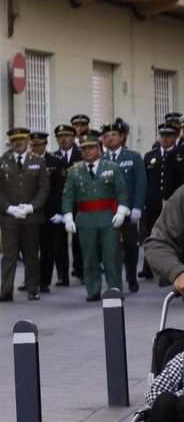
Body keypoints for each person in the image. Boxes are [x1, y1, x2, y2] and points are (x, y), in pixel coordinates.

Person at [64, 133, 128, 301]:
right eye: (84, 149)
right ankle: (93, 290)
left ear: (99, 149)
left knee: (112, 255)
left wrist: (121, 210)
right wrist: (68, 217)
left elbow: (121, 191)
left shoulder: (112, 167)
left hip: (108, 218)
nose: (87, 151)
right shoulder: (74, 171)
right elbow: (67, 196)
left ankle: (115, 289)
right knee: (89, 256)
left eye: (91, 148)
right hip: (85, 219)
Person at [0, 127, 48, 304]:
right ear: (10, 142)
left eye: (21, 139)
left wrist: (32, 207)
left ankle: (33, 289)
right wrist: (8, 208)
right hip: (9, 218)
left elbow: (44, 188)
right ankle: (6, 291)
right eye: (15, 140)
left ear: (28, 141)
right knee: (9, 255)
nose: (18, 143)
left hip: (31, 217)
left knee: (31, 255)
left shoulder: (38, 161)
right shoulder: (1, 162)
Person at [104, 120, 146, 292]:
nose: (110, 138)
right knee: (110, 248)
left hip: (128, 211)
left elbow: (140, 183)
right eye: (107, 135)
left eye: (114, 135)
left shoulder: (133, 157)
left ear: (122, 137)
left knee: (130, 246)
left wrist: (137, 207)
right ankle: (114, 282)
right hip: (108, 212)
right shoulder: (101, 158)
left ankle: (131, 276)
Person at [141, 122, 183, 282]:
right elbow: (158, 243)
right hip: (155, 202)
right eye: (162, 135)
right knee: (152, 233)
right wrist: (176, 272)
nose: (164, 138)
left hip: (170, 199)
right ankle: (147, 268)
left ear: (175, 137)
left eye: (168, 135)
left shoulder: (179, 154)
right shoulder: (150, 156)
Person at [40, 126, 76, 291]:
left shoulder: (60, 160)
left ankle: (66, 275)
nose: (63, 139)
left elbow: (62, 188)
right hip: (43, 209)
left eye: (67, 136)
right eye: (60, 136)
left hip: (62, 208)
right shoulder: (52, 157)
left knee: (62, 244)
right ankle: (45, 279)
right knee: (47, 246)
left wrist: (62, 212)